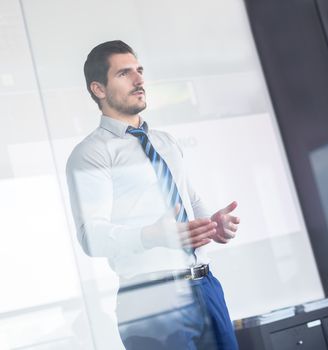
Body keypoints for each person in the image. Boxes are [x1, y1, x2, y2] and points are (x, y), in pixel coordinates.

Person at [66, 40, 240, 350]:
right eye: (124, 73)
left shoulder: (166, 141)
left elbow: (191, 199)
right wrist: (153, 235)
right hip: (150, 298)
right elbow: (91, 236)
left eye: (139, 71)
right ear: (99, 89)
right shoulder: (91, 154)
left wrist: (215, 225)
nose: (138, 80)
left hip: (206, 285)